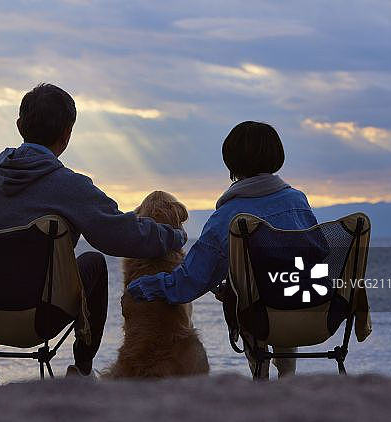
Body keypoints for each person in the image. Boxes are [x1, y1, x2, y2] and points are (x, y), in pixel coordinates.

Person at [0, 83, 186, 384]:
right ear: (67, 134)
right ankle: (81, 369)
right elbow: (122, 234)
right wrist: (174, 236)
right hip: (41, 317)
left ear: (20, 126)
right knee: (93, 263)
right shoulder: (69, 186)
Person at [126, 121, 319, 379]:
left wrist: (145, 286)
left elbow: (189, 282)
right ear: (277, 157)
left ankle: (261, 376)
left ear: (231, 162)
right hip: (314, 313)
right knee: (282, 284)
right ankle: (287, 375)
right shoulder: (298, 202)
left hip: (262, 319)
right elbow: (315, 255)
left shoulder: (227, 217)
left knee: (250, 297)